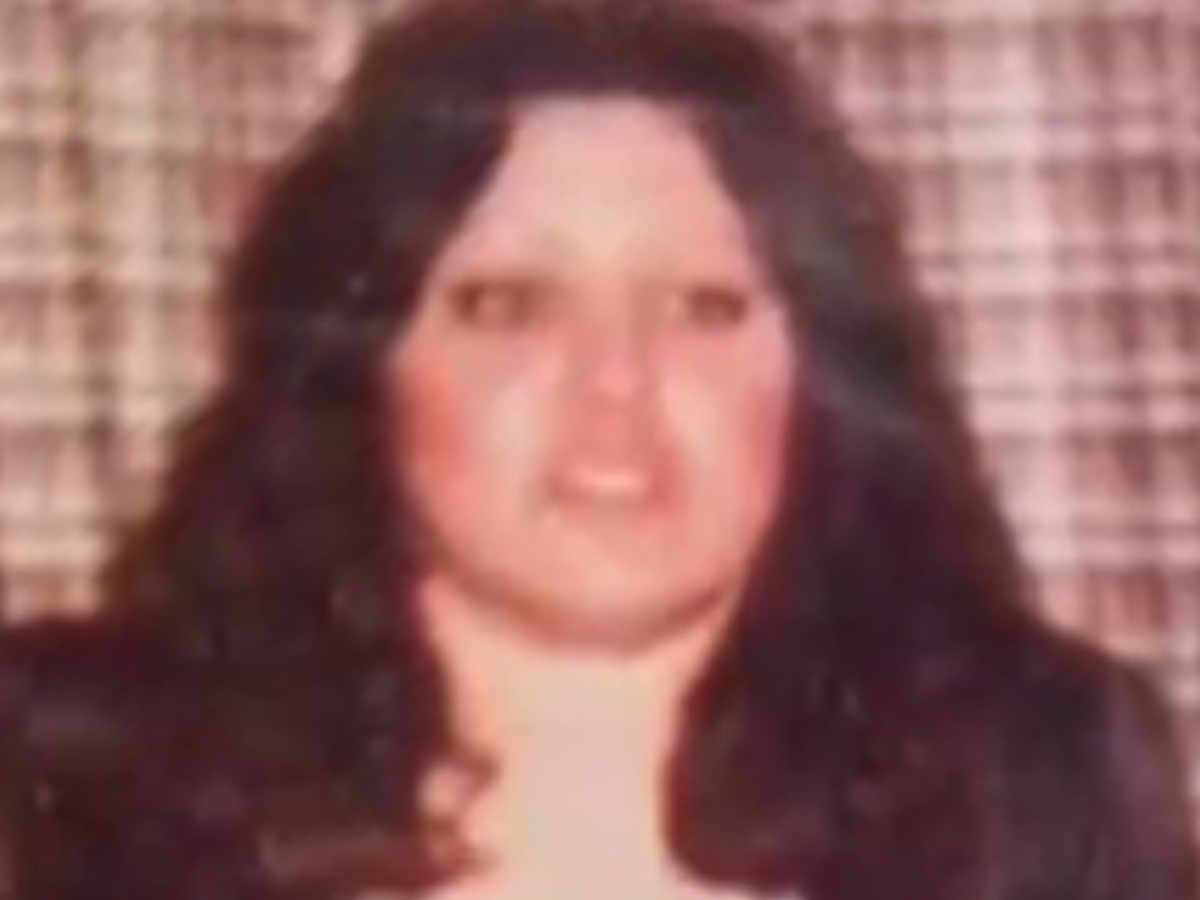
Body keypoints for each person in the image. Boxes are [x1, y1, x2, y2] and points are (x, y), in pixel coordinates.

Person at [0, 1, 1195, 899]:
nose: (616, 383)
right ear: (357, 369)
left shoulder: (1038, 773)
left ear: (820, 374)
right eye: (509, 305)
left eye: (704, 307)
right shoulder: (72, 775)